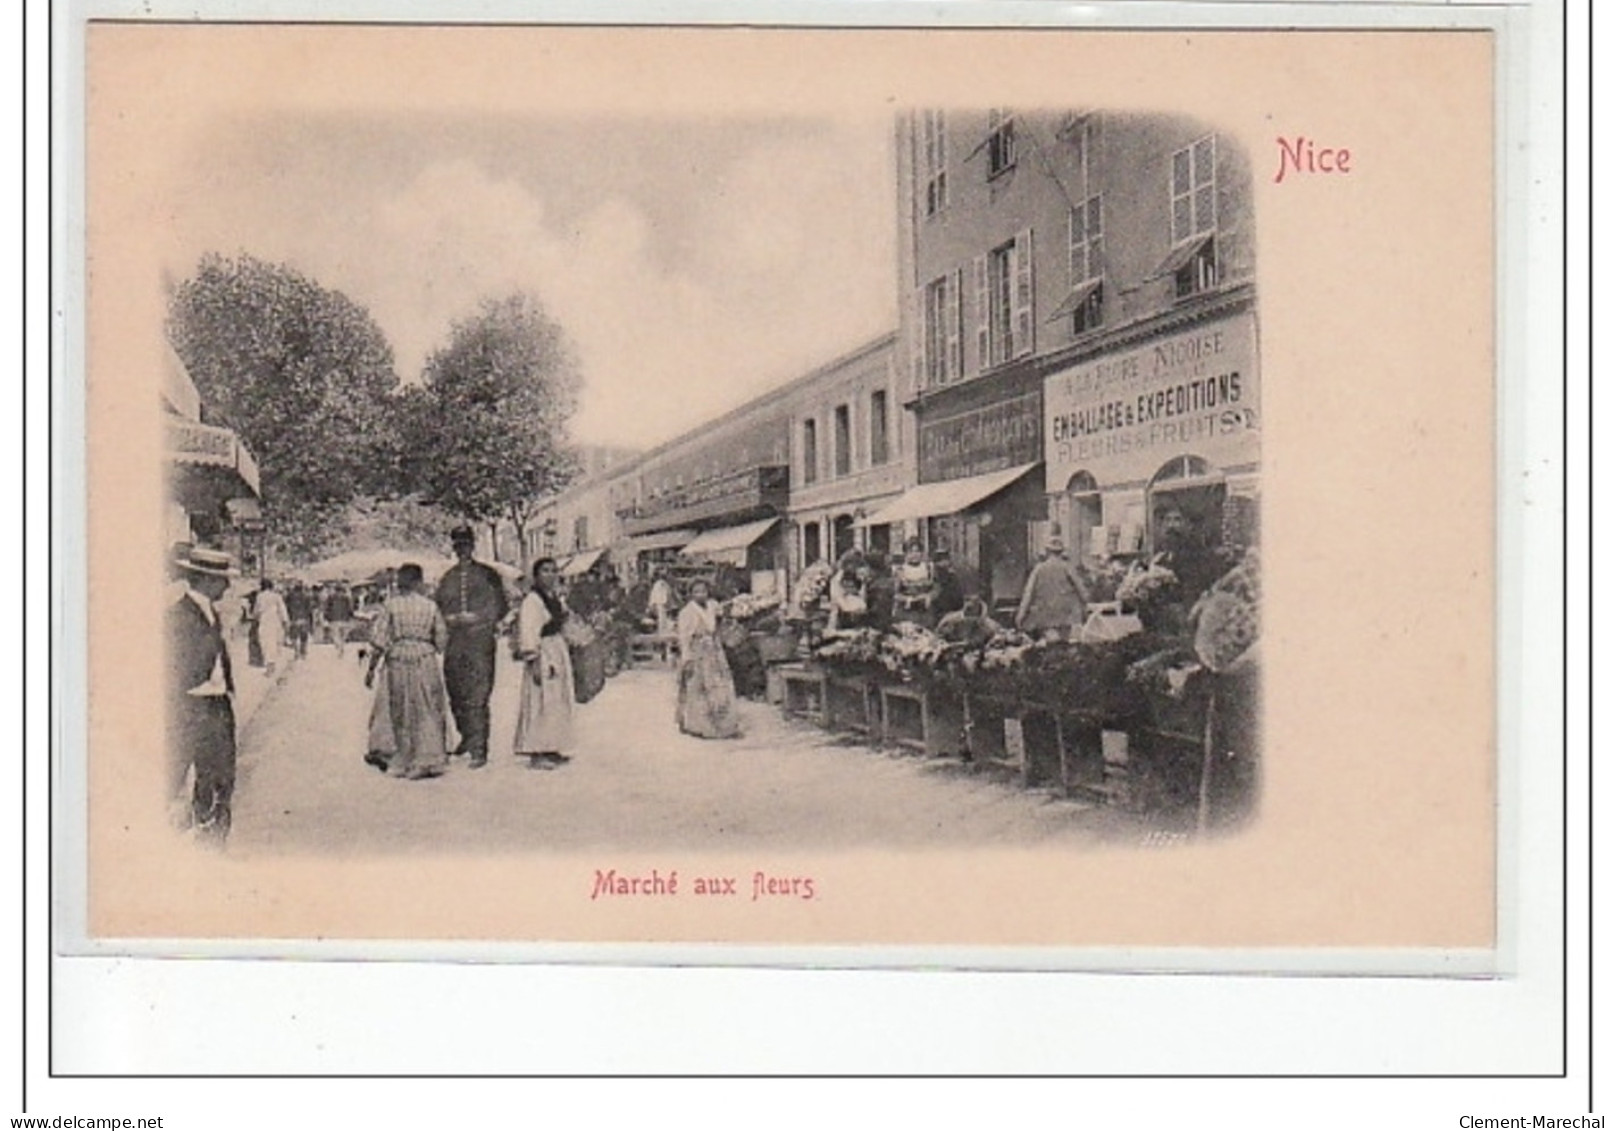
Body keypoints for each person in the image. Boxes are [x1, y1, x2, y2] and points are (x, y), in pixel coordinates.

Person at [166, 547, 239, 845]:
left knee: (221, 774)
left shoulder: (211, 611)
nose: (228, 586)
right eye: (223, 580)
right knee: (178, 771)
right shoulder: (178, 616)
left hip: (217, 704)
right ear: (207, 580)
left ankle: (212, 837)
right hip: (191, 705)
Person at [363, 563, 452, 780]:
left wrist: (371, 669)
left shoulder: (390, 606)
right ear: (419, 582)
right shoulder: (430, 606)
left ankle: (404, 759)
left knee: (400, 708)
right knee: (428, 706)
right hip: (425, 658)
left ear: (400, 582)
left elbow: (379, 641)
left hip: (399, 657)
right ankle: (429, 758)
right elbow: (441, 640)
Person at [434, 526, 510, 768]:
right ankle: (466, 736)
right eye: (458, 545)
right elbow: (438, 608)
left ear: (472, 545)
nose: (461, 549)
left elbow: (500, 606)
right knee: (455, 691)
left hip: (480, 641)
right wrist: (449, 619)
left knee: (478, 693)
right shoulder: (447, 577)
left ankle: (479, 747)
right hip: (455, 641)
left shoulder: (488, 574)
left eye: (465, 544)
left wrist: (478, 618)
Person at [514, 557, 577, 770]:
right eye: (545, 571)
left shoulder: (555, 598)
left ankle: (553, 746)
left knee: (556, 700)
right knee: (540, 700)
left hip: (557, 649)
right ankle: (537, 751)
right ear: (537, 575)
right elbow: (529, 630)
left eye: (553, 571)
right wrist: (533, 660)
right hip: (543, 651)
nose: (550, 575)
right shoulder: (532, 601)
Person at [675, 578, 741, 739]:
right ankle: (700, 726)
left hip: (714, 650)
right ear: (690, 594)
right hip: (698, 652)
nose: (701, 595)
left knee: (720, 685)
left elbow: (723, 613)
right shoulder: (687, 612)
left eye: (703, 591)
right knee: (699, 689)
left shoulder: (712, 606)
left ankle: (725, 726)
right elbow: (684, 637)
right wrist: (686, 658)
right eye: (696, 592)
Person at [1015, 536, 1090, 642]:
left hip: (1045, 615)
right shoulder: (1068, 567)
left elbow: (1028, 594)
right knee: (1065, 644)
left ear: (1047, 551)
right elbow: (1082, 591)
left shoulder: (1039, 569)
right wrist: (1085, 608)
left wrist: (1020, 615)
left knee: (1050, 644)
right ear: (1061, 552)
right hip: (1066, 616)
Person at [892, 537, 938, 628]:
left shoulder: (928, 568)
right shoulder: (900, 570)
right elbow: (895, 593)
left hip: (925, 611)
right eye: (911, 552)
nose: (914, 555)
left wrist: (929, 596)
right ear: (906, 554)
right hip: (907, 612)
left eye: (917, 551)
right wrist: (907, 599)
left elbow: (936, 587)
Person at [254, 578, 290, 673]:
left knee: (265, 642)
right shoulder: (276, 596)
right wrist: (285, 621)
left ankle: (269, 665)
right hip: (275, 620)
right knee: (274, 641)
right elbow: (282, 609)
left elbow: (256, 611)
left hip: (264, 620)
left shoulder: (260, 596)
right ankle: (272, 664)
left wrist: (256, 618)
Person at [931, 547, 966, 618]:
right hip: (938, 613)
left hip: (955, 610)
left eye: (945, 559)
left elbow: (959, 595)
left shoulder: (954, 577)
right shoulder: (934, 577)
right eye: (940, 560)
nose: (943, 563)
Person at [324, 583, 356, 656]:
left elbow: (327, 608)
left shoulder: (331, 597)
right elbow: (350, 608)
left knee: (336, 635)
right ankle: (341, 647)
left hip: (334, 619)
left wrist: (327, 616)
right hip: (344, 619)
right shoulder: (346, 598)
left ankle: (339, 646)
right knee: (342, 635)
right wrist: (351, 615)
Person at [285, 582, 314, 659]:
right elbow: (309, 610)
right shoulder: (306, 596)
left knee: (294, 637)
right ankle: (303, 651)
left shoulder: (289, 596)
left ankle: (296, 651)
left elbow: (286, 608)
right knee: (303, 637)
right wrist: (310, 621)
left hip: (293, 619)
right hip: (304, 619)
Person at [647, 567, 674, 634]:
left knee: (665, 621)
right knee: (661, 620)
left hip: (663, 605)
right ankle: (661, 631)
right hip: (659, 604)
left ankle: (663, 630)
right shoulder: (660, 584)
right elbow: (659, 599)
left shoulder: (665, 584)